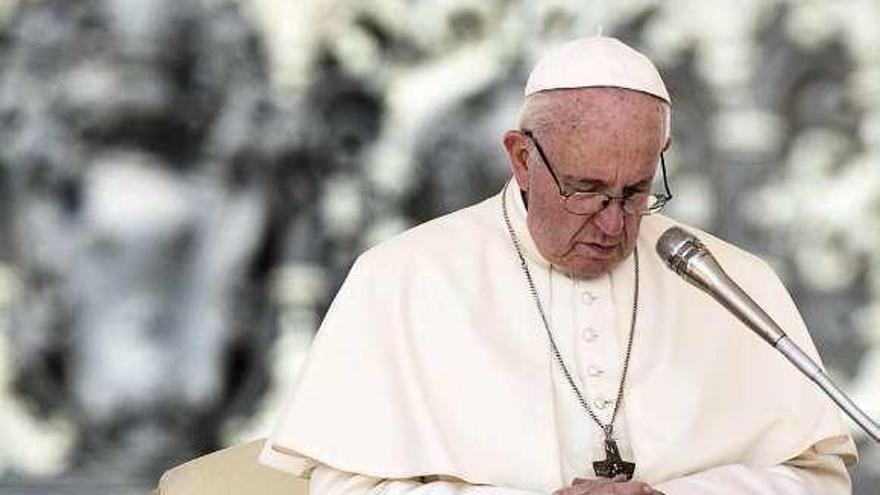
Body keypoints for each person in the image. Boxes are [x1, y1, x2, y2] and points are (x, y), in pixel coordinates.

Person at [259, 37, 857, 495]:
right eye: (585, 190)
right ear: (522, 159)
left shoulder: (731, 282)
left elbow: (816, 478)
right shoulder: (402, 277)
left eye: (635, 191)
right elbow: (347, 485)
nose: (612, 223)